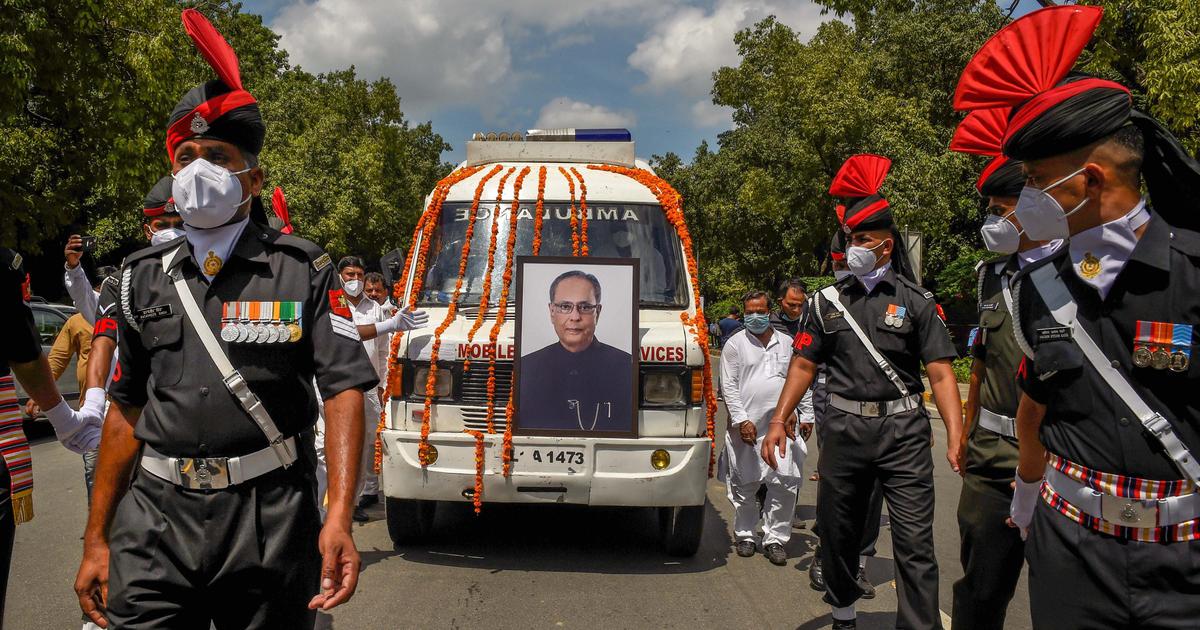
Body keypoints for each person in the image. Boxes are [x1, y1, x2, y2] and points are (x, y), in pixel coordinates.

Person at [72, 11, 392, 628]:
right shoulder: (142, 274)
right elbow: (126, 406)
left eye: (216, 155)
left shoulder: (303, 269)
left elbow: (345, 389)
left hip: (268, 517)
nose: (198, 170)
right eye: (186, 155)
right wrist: (96, 536)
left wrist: (338, 515)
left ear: (253, 177)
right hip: (156, 519)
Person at [955, 5, 1200, 627]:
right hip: (1070, 555)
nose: (1027, 196)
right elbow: (1039, 401)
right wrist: (1031, 495)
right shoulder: (1042, 283)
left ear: (1088, 179)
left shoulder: (1194, 271)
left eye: (1035, 180)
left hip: (1185, 561)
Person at [762, 154, 963, 630]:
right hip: (845, 430)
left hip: (904, 431)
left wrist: (957, 435)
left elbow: (940, 373)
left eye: (863, 239)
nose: (853, 247)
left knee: (915, 543)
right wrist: (779, 418)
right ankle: (843, 612)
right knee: (839, 530)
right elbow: (804, 363)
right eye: (851, 239)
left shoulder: (916, 303)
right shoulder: (826, 303)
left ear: (887, 245)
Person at [947, 106, 1061, 629]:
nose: (993, 221)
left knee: (1061, 598)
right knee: (981, 591)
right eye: (991, 209)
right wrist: (967, 438)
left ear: (1037, 204)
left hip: (1062, 465)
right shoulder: (990, 276)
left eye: (1002, 207)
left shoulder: (1080, 271)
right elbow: (980, 366)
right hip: (992, 462)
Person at [1, 247, 103, 622]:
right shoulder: (79, 321)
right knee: (102, 511)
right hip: (96, 426)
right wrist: (50, 405)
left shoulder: (132, 317)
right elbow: (52, 357)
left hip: (127, 425)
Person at [806, 232, 885, 599]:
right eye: (837, 263)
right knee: (837, 483)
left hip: (886, 409)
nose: (843, 270)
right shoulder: (823, 302)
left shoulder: (894, 297)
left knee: (874, 491)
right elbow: (805, 363)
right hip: (834, 400)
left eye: (846, 262)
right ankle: (826, 553)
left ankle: (861, 564)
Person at [722, 290, 811, 566]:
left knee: (783, 483)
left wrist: (806, 413)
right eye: (749, 312)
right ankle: (746, 534)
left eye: (760, 311)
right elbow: (728, 386)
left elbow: (802, 378)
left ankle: (775, 539)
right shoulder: (735, 344)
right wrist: (741, 420)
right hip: (746, 429)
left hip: (783, 427)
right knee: (745, 483)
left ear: (769, 311)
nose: (755, 317)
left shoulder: (787, 343)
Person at [518, 270, 633, 432]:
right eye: (565, 307)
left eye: (585, 307)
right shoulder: (525, 368)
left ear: (597, 313)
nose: (575, 316)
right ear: (552, 312)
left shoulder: (627, 367)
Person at [337, 256, 389, 522]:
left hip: (369, 386)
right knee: (338, 444)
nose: (355, 280)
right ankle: (341, 501)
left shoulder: (375, 309)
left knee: (368, 441)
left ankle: (362, 495)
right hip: (338, 385)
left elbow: (382, 351)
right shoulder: (332, 305)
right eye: (349, 275)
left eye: (359, 274)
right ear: (340, 276)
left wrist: (383, 385)